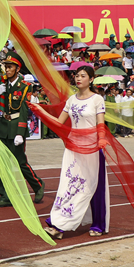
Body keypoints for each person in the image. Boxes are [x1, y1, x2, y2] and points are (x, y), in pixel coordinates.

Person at [36, 65, 110, 239]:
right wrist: (41, 111)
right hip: (73, 148)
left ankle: (98, 224)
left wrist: (101, 138)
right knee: (69, 185)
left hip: (92, 148)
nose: (78, 78)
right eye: (77, 75)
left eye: (83, 76)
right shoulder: (71, 100)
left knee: (93, 187)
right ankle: (59, 225)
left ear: (91, 79)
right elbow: (59, 123)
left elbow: (100, 123)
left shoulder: (97, 99)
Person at [0, 52, 45, 207]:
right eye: (5, 67)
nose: (7, 70)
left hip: (16, 127)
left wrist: (20, 133)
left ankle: (38, 185)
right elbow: (0, 108)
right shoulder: (4, 85)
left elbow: (23, 110)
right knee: (3, 162)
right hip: (4, 126)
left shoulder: (25, 87)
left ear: (17, 68)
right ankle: (5, 195)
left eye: (9, 67)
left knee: (20, 162)